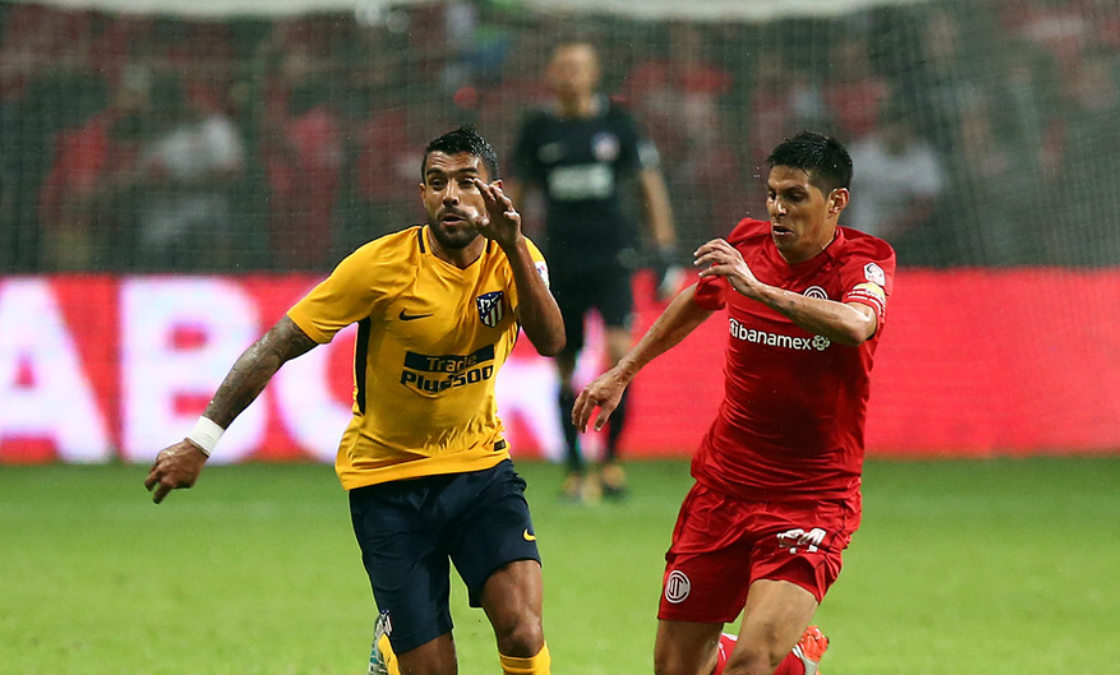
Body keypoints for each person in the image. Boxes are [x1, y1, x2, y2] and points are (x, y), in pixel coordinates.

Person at [144, 127, 565, 675]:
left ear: (495, 192)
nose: (451, 196)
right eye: (437, 183)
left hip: (479, 470)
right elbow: (276, 346)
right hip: (387, 484)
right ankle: (393, 646)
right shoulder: (380, 266)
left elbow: (553, 341)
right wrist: (201, 440)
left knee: (524, 631)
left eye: (467, 182)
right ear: (422, 194)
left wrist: (511, 246)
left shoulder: (517, 257)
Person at [573, 131, 895, 675]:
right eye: (772, 194)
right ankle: (796, 660)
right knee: (675, 668)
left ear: (835, 202)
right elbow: (697, 299)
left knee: (751, 665)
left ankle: (781, 656)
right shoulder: (746, 247)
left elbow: (857, 324)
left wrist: (760, 290)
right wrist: (623, 371)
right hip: (722, 490)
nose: (778, 208)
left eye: (795, 196)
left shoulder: (863, 261)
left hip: (810, 498)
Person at [508, 40, 680, 502]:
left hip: (613, 258)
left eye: (578, 67)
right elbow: (517, 193)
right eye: (562, 67)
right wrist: (505, 250)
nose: (570, 75)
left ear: (594, 73)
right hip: (561, 261)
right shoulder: (538, 129)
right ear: (551, 74)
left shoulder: (618, 124)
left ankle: (611, 462)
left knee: (622, 356)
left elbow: (649, 185)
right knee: (565, 367)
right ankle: (575, 468)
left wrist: (663, 248)